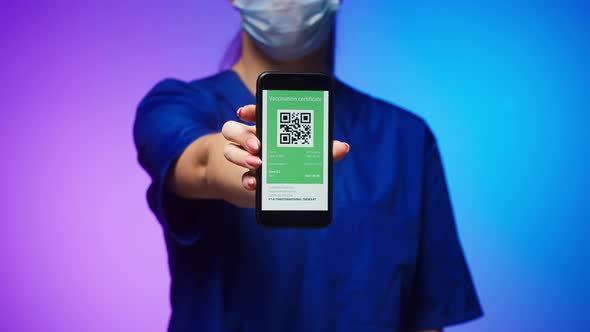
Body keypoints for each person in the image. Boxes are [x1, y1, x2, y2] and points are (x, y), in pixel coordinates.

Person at [133, 0, 483, 331]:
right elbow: (203, 163)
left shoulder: (407, 139)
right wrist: (250, 163)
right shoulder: (176, 106)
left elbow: (427, 316)